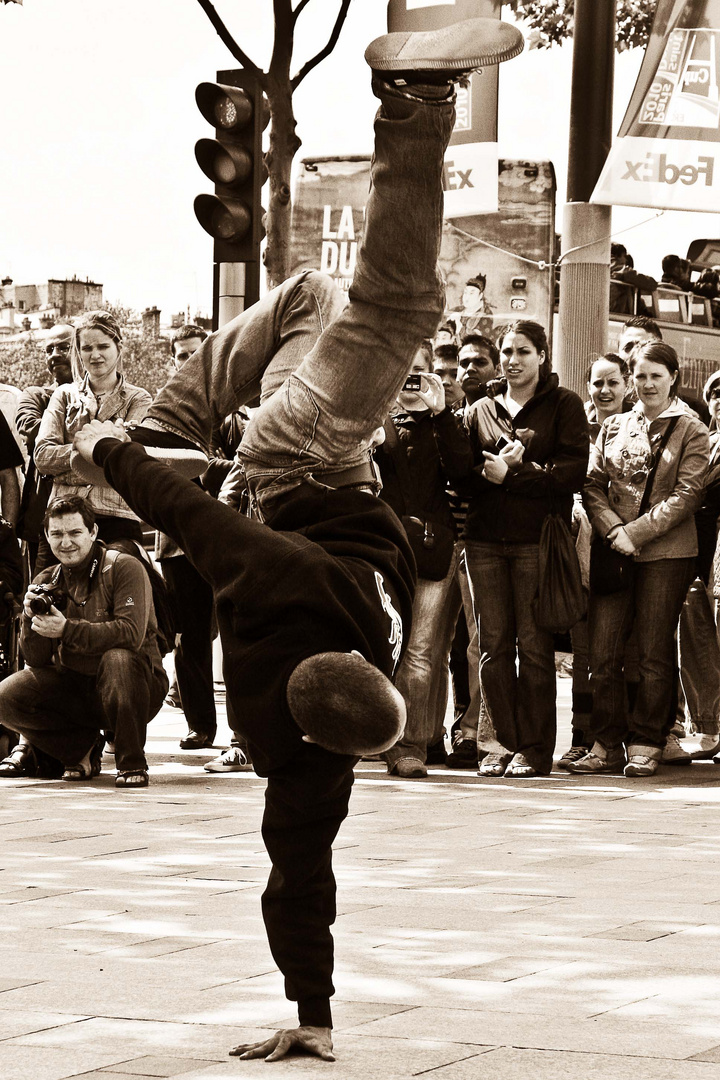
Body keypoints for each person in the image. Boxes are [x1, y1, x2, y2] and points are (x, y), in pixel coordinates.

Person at [68, 18, 524, 1062]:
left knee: (397, 304)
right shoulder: (302, 758)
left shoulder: (285, 585)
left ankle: (414, 103)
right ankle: (177, 412)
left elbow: (190, 517)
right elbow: (297, 874)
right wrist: (311, 1017)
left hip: (297, 457)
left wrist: (107, 446)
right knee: (320, 296)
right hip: (295, 467)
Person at [570, 341, 709, 777]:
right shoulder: (614, 427)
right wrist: (614, 530)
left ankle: (647, 739)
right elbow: (590, 484)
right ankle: (606, 741)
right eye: (641, 375)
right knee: (603, 651)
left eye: (656, 375)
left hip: (667, 554)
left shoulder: (692, 430)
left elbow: (688, 495)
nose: (648, 383)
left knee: (652, 651)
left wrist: (636, 533)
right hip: (615, 551)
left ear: (673, 379)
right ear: (631, 380)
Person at [463, 320, 588, 778]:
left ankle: (535, 750)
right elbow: (461, 474)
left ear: (542, 356)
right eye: (507, 352)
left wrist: (515, 474)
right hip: (483, 542)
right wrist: (488, 473)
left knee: (534, 648)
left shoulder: (564, 404)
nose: (513, 360)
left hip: (537, 541)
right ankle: (501, 744)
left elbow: (572, 472)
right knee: (493, 648)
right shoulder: (480, 407)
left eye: (523, 351)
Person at [0, 495, 168, 787]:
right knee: (6, 696)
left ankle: (131, 762)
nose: (66, 542)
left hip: (136, 687)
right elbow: (38, 661)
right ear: (47, 537)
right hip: (77, 688)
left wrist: (66, 630)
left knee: (118, 658)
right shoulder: (47, 579)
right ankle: (81, 749)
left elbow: (130, 634)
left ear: (93, 532)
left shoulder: (123, 567)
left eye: (75, 532)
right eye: (57, 534)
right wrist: (30, 620)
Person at [374, 344, 471, 777]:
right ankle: (380, 733)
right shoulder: (373, 419)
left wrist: (440, 414)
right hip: (382, 548)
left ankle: (409, 744)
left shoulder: (441, 421)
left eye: (418, 371)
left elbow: (465, 475)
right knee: (380, 644)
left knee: (420, 651)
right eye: (402, 370)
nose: (410, 380)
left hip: (433, 552)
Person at [557, 353, 635, 770]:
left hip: (625, 548)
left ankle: (633, 737)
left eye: (612, 383)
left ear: (627, 385)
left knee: (628, 652)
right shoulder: (576, 427)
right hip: (579, 552)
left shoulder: (636, 429)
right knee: (585, 652)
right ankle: (581, 735)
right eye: (597, 383)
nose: (604, 391)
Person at [34, 310, 152, 548]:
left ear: (119, 347)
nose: (95, 355)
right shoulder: (64, 395)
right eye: (87, 348)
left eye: (103, 346)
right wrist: (95, 452)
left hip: (116, 517)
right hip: (62, 518)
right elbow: (43, 456)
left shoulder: (138, 399)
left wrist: (68, 465)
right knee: (43, 585)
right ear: (79, 351)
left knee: (128, 577)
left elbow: (125, 463)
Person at [155, 323, 220, 750]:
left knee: (232, 633)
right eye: (181, 355)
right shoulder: (164, 414)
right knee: (191, 636)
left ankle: (248, 732)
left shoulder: (234, 412)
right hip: (179, 543)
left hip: (229, 540)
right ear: (172, 360)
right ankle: (201, 724)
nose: (189, 361)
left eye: (196, 352)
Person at [15, 323, 75, 574]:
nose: (54, 354)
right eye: (48, 349)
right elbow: (31, 430)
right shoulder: (35, 395)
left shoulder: (107, 395)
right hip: (45, 519)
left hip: (99, 516)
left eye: (63, 347)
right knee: (42, 594)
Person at [617, 316, 710, 425]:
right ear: (618, 353)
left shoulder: (696, 413)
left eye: (643, 346)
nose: (635, 353)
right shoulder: (609, 409)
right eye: (628, 348)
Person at [609, 243, 657, 316]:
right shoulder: (624, 271)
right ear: (617, 257)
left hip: (607, 315)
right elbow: (652, 284)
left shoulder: (600, 272)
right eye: (624, 256)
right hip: (621, 316)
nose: (625, 260)